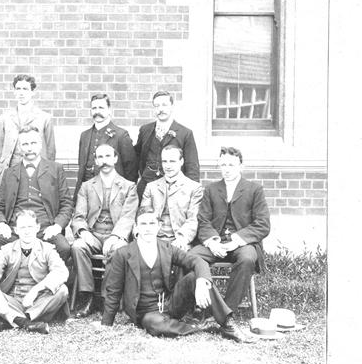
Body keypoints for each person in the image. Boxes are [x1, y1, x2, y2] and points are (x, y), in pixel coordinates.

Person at [101, 210, 254, 342]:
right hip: (146, 312)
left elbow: (197, 260)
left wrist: (201, 281)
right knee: (153, 323)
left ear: (159, 226)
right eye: (143, 224)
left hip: (170, 304)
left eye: (152, 224)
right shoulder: (123, 254)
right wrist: (106, 324)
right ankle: (201, 328)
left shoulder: (167, 248)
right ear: (136, 227)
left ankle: (227, 323)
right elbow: (113, 290)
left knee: (197, 276)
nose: (148, 229)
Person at [188, 146, 270, 313]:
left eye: (231, 165)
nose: (227, 169)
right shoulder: (211, 189)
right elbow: (203, 220)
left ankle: (226, 310)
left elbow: (263, 224)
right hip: (216, 242)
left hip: (243, 244)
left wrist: (236, 241)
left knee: (247, 259)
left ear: (241, 166)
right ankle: (203, 305)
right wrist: (212, 242)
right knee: (192, 255)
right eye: (223, 165)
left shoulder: (254, 190)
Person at [0, 126, 73, 265]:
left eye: (33, 143)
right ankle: (5, 282)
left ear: (40, 145)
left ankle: (46, 282)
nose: (29, 148)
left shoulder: (56, 169)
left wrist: (57, 226)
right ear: (19, 147)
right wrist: (1, 224)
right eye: (25, 144)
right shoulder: (10, 173)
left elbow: (66, 204)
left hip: (44, 230)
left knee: (63, 247)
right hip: (14, 230)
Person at [70, 144, 138, 318]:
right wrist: (84, 233)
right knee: (78, 247)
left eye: (108, 156)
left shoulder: (129, 186)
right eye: (100, 157)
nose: (104, 161)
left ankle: (108, 298)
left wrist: (115, 236)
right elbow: (78, 216)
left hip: (116, 235)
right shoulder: (87, 186)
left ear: (115, 159)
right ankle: (88, 296)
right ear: (95, 161)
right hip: (93, 233)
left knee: (118, 250)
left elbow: (128, 217)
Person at [0, 210, 69, 334]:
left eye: (30, 227)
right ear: (16, 230)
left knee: (62, 290)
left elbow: (61, 272)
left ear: (37, 228)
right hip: (13, 300)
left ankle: (12, 320)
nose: (27, 231)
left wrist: (35, 290)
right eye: (22, 227)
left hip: (38, 302)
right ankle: (28, 324)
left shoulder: (47, 249)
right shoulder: (8, 249)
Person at [135, 90, 200, 197]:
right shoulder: (145, 130)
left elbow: (192, 166)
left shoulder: (185, 133)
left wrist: (191, 193)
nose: (160, 109)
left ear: (172, 106)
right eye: (157, 106)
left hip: (174, 189)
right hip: (147, 186)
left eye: (164, 105)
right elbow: (138, 158)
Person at [140, 145, 203, 250]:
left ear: (181, 161)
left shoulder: (194, 188)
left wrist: (182, 239)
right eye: (164, 161)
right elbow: (144, 215)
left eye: (172, 161)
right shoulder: (151, 187)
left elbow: (193, 219)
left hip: (179, 240)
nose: (168, 166)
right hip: (153, 239)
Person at [76, 93, 136, 195]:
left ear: (109, 110)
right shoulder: (84, 136)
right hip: (87, 192)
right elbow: (81, 166)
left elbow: (131, 170)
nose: (97, 111)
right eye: (94, 108)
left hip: (112, 193)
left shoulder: (121, 135)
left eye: (101, 108)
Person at [0, 74, 55, 175]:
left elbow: (51, 152)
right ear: (14, 91)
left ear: (32, 92)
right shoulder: (5, 118)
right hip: (11, 171)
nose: (21, 93)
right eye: (18, 89)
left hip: (36, 172)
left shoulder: (44, 118)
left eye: (25, 89)